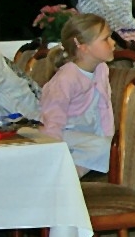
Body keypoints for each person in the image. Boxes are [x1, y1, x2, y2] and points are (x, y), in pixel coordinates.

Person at [38, 13, 115, 177]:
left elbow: (104, 107)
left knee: (108, 146)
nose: (113, 43)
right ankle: (66, 176)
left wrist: (108, 136)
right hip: (63, 133)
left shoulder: (102, 69)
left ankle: (69, 172)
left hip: (86, 136)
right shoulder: (66, 77)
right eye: (106, 39)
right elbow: (52, 117)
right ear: (83, 47)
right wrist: (53, 150)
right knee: (102, 147)